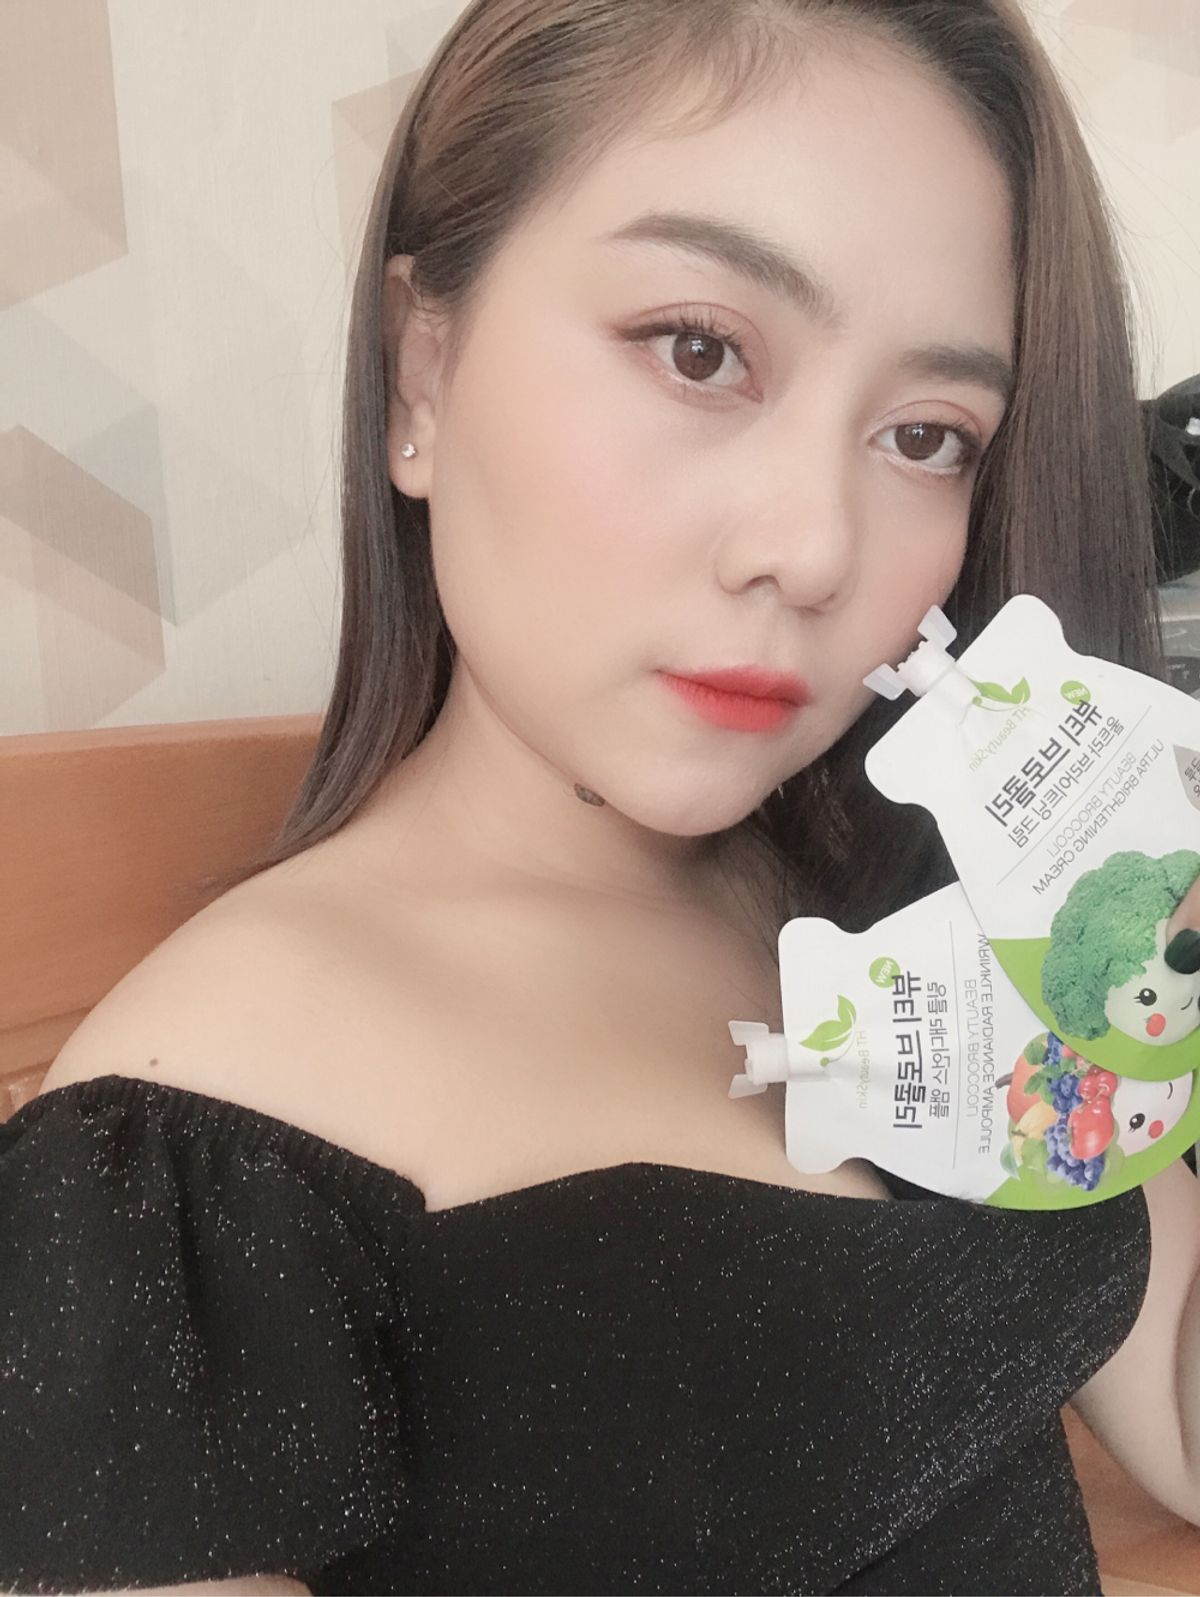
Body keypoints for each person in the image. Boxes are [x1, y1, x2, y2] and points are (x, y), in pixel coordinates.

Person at [3, 1, 1199, 1593]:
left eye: (926, 435)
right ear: (422, 369)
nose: (815, 547)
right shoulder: (187, 1148)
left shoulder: (925, 904)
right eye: (700, 351)